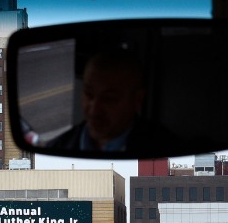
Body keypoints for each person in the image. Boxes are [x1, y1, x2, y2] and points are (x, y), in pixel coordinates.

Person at [45, 45, 174, 154]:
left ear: (137, 100)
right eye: (88, 94)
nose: (94, 109)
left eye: (109, 98)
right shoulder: (54, 149)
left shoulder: (169, 150)